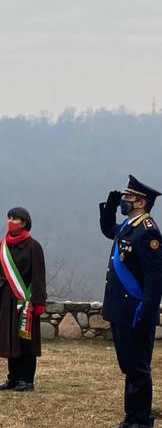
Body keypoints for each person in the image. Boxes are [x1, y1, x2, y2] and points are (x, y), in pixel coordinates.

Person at [100, 175, 162, 428]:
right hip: (121, 310)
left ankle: (141, 419)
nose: (125, 200)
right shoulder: (129, 227)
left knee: (137, 368)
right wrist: (110, 207)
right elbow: (107, 231)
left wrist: (145, 313)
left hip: (134, 311)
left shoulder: (148, 232)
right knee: (129, 366)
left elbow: (155, 279)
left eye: (128, 197)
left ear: (141, 202)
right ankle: (132, 415)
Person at [0, 207, 47, 392]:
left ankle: (27, 380)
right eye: (9, 218)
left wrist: (38, 302)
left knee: (25, 340)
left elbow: (38, 277)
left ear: (24, 222)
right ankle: (12, 378)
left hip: (25, 300)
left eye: (15, 218)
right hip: (5, 299)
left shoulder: (33, 246)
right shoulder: (3, 245)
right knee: (9, 340)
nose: (11, 221)